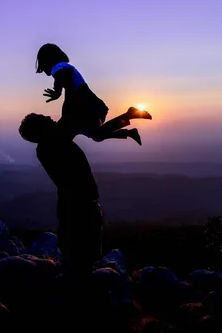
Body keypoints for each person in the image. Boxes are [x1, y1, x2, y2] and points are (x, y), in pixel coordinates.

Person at [18, 113, 103, 284]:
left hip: (77, 207)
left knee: (80, 259)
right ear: (41, 130)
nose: (50, 117)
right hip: (79, 209)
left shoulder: (52, 143)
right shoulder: (52, 144)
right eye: (44, 119)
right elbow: (79, 119)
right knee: (81, 259)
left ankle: (76, 294)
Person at [35, 43, 152, 145]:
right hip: (85, 102)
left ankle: (129, 116)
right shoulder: (65, 66)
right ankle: (129, 127)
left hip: (82, 104)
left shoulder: (58, 67)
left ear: (47, 60)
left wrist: (57, 91)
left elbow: (62, 75)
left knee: (85, 134)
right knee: (97, 135)